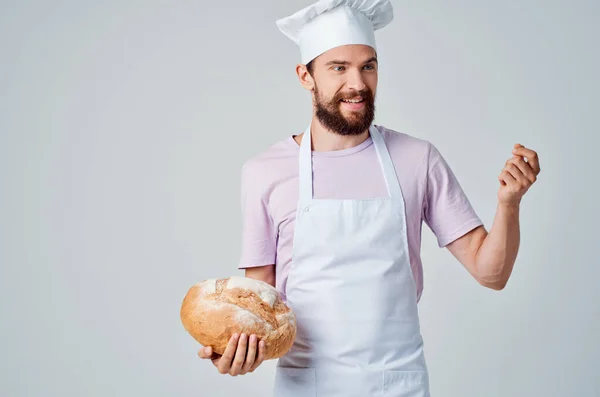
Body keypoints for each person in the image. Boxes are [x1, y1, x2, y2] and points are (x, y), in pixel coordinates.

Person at [198, 0, 541, 395]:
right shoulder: (265, 172)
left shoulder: (417, 159)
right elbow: (259, 306)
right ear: (305, 76)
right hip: (307, 387)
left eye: (368, 65)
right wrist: (238, 353)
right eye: (338, 67)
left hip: (399, 386)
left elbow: (491, 273)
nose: (358, 84)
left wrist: (509, 203)